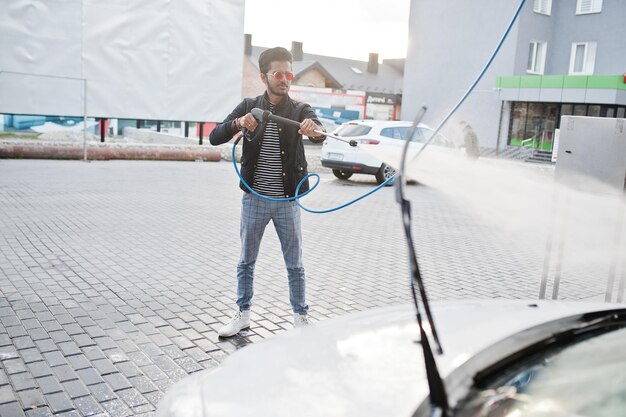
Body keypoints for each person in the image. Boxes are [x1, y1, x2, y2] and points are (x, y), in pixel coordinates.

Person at [209, 47, 326, 337]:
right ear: (264, 77)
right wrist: (239, 123)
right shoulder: (250, 105)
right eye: (279, 74)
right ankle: (243, 315)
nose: (286, 79)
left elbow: (320, 131)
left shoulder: (300, 110)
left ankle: (300, 319)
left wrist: (314, 129)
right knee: (246, 261)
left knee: (295, 264)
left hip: (287, 201)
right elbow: (214, 136)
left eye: (289, 73)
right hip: (254, 199)